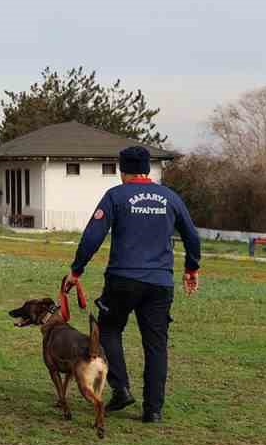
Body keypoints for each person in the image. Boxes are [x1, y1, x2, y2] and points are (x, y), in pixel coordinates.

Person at [66, 145, 201, 424]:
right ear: (148, 168)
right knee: (156, 345)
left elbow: (93, 236)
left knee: (108, 331)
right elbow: (191, 235)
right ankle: (153, 410)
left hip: (123, 279)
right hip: (160, 283)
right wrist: (191, 268)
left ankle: (121, 387)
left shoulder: (116, 196)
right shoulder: (170, 197)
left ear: (121, 170)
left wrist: (76, 271)